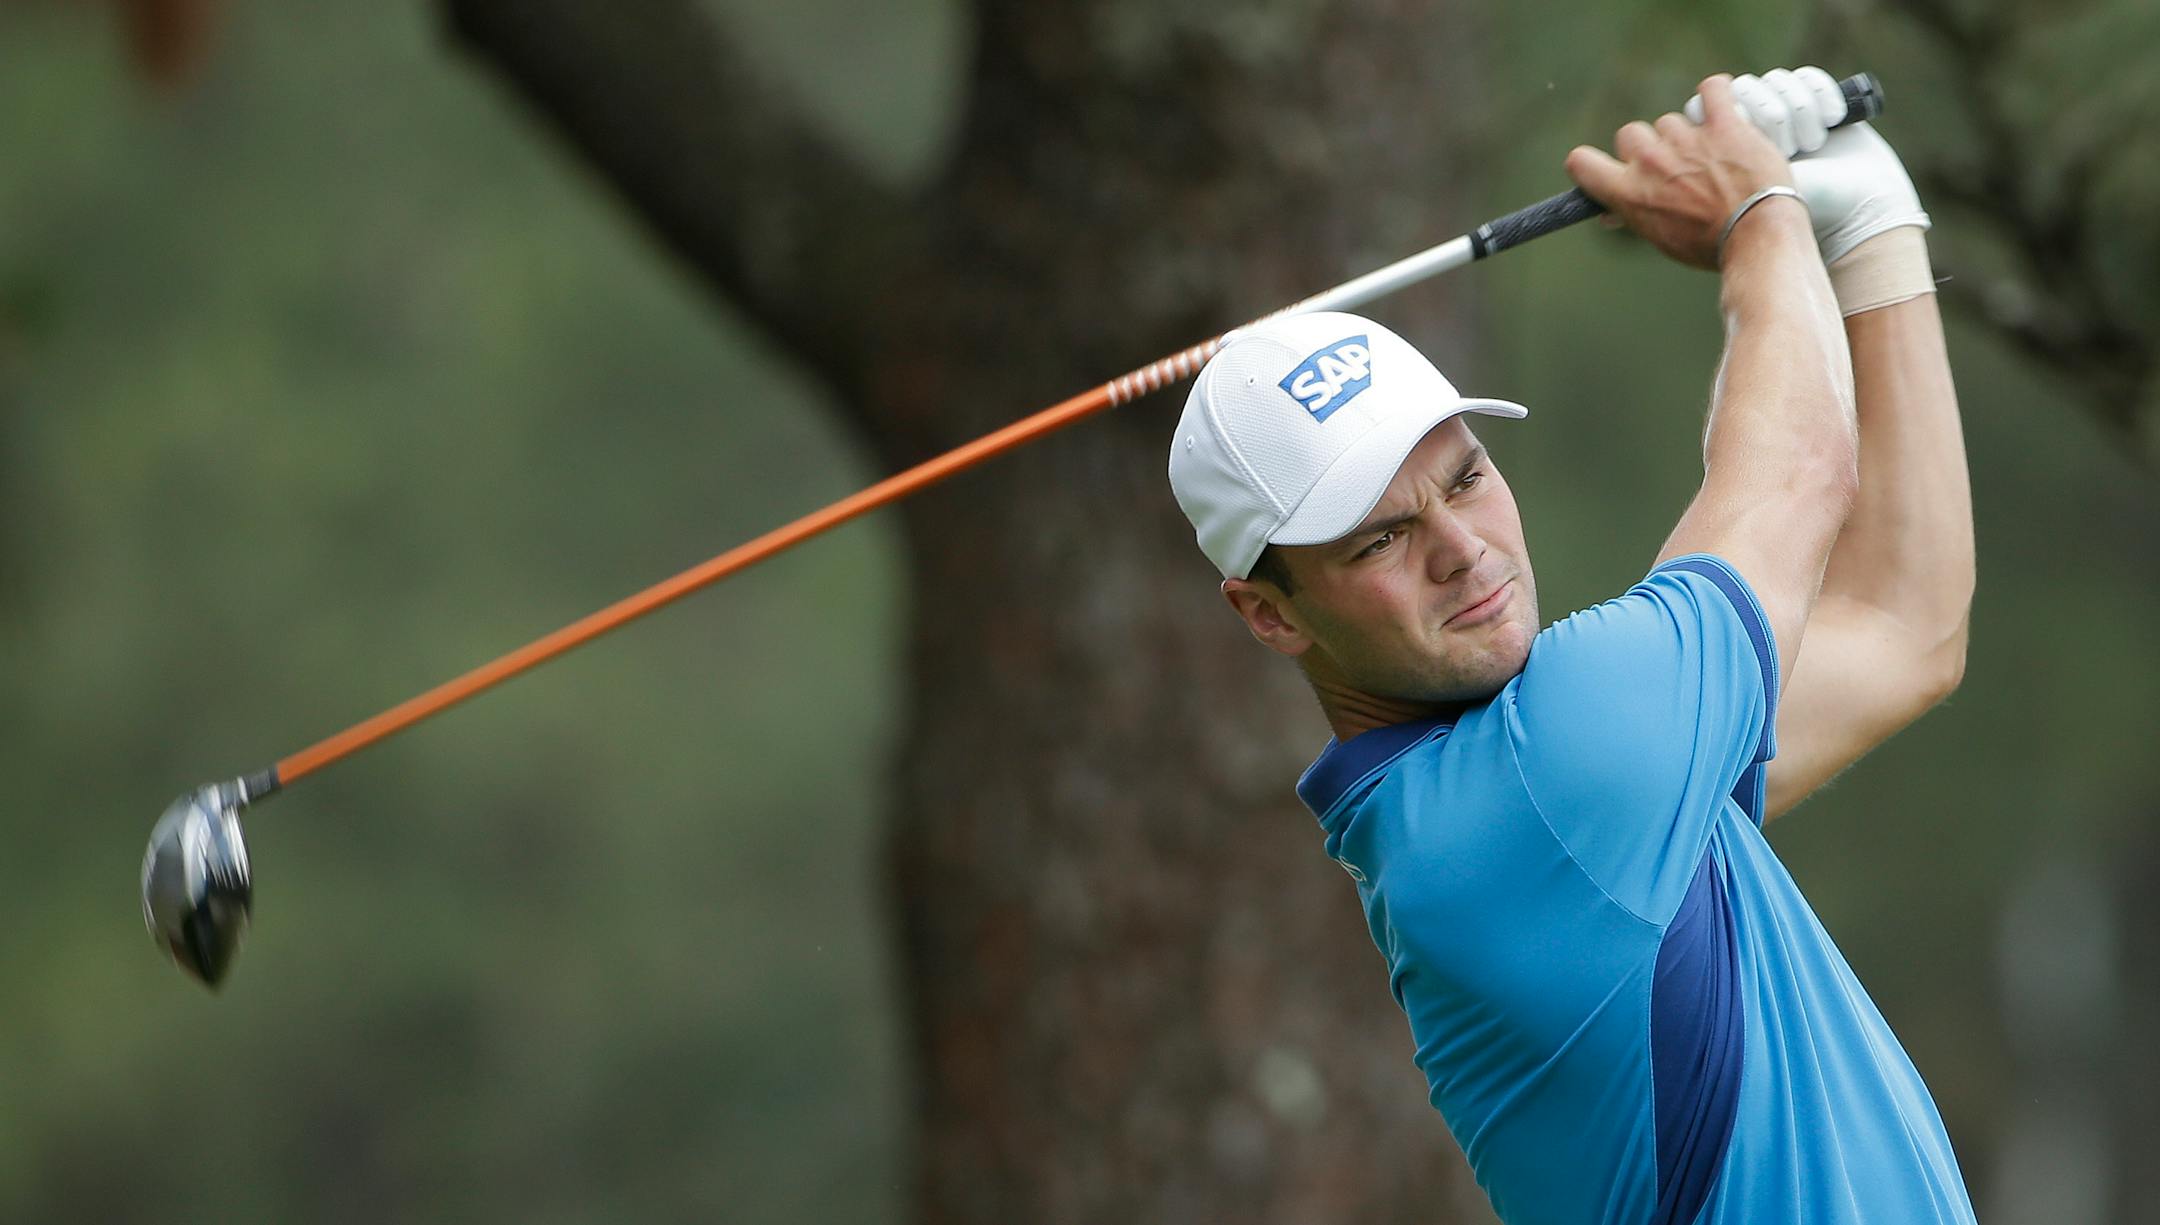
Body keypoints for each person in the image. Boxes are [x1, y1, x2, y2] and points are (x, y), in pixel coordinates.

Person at [1166, 69, 1976, 1224]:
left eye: (1467, 478)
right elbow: (1795, 472)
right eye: (1383, 538)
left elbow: (1905, 624)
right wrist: (1762, 217)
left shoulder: (1581, 797)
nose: (1462, 550)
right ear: (1270, 611)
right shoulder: (1548, 793)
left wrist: (1868, 236)